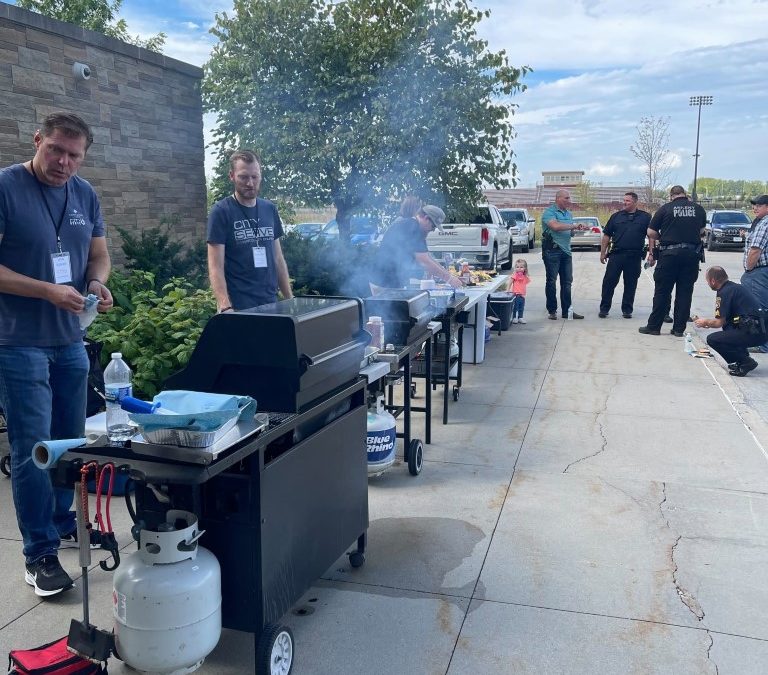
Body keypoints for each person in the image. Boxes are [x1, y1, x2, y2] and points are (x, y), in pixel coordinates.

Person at [0, 112, 113, 597]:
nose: (63, 162)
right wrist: (47, 290)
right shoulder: (6, 186)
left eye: (74, 155)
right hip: (17, 341)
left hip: (70, 339)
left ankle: (61, 518)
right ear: (37, 140)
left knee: (70, 441)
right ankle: (39, 554)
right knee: (32, 450)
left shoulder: (84, 193)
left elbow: (99, 254)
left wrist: (95, 282)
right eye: (55, 151)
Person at [207, 150, 293, 312]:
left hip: (270, 302)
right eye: (244, 177)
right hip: (239, 306)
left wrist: (290, 299)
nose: (250, 183)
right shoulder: (221, 211)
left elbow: (277, 257)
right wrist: (225, 306)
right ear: (232, 176)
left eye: (255, 177)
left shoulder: (269, 209)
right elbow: (215, 266)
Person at [639, 186, 706, 337]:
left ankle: (654, 327)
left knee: (662, 292)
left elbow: (650, 232)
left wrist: (663, 236)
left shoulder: (665, 209)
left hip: (669, 254)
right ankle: (678, 329)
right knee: (685, 293)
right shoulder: (699, 209)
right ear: (685, 194)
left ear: (671, 196)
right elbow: (702, 232)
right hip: (691, 255)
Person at [369, 202, 463, 292]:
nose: (433, 230)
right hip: (384, 282)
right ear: (426, 218)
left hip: (390, 281)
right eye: (433, 226)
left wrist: (447, 275)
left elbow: (428, 259)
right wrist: (450, 279)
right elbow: (424, 261)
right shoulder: (413, 227)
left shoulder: (411, 225)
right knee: (388, 309)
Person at [694, 266, 767, 376]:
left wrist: (705, 322)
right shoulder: (735, 288)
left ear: (713, 281)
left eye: (708, 281)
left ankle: (746, 362)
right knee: (729, 325)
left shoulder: (724, 292)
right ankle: (741, 358)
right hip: (760, 331)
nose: (708, 284)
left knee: (713, 339)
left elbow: (718, 323)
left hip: (753, 333)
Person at [598, 192, 651, 319]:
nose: (625, 203)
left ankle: (627, 310)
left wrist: (651, 253)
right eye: (624, 200)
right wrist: (603, 252)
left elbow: (651, 235)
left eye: (628, 201)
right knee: (609, 282)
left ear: (635, 202)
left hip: (634, 256)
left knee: (631, 284)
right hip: (617, 255)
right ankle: (604, 308)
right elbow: (606, 235)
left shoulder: (645, 217)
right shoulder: (616, 216)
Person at [541, 189, 584, 319]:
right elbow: (555, 227)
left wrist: (578, 229)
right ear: (558, 198)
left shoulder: (568, 214)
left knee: (567, 282)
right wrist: (573, 226)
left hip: (566, 251)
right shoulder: (549, 212)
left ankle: (567, 311)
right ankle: (552, 311)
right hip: (552, 251)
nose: (569, 200)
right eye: (566, 198)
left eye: (569, 198)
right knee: (551, 281)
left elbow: (570, 232)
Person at [740, 195, 768, 353]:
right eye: (754, 205)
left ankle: (763, 344)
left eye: (759, 205)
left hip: (758, 272)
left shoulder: (765, 223)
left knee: (760, 309)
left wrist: (749, 269)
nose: (754, 208)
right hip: (763, 271)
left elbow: (756, 249)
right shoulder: (760, 222)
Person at [507, 258, 531, 323]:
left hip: (522, 295)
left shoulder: (525, 276)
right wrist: (508, 290)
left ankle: (520, 317)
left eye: (521, 267)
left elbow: (525, 283)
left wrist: (525, 274)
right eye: (517, 267)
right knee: (515, 307)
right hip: (516, 294)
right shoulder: (515, 275)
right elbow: (510, 282)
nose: (519, 268)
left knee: (521, 307)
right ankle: (514, 317)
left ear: (525, 268)